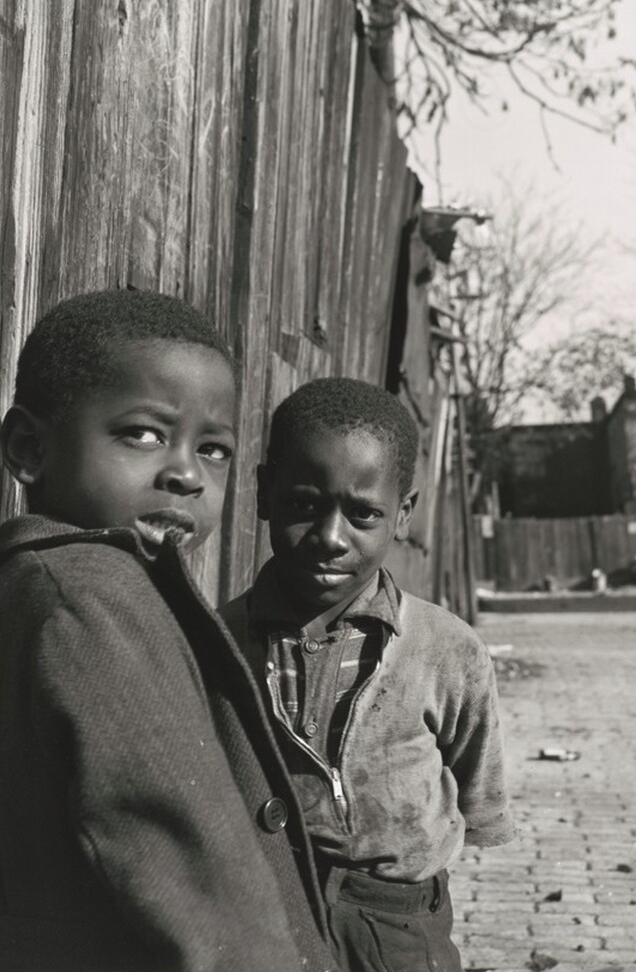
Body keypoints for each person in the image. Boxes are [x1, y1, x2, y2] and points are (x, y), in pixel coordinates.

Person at [0, 289, 334, 972]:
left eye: (212, 449)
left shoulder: (41, 588)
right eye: (143, 433)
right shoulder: (95, 602)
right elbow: (186, 858)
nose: (185, 472)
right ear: (28, 447)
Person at [221, 377, 515, 972]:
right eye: (304, 503)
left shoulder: (445, 648)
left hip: (400, 921)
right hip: (267, 910)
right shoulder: (218, 641)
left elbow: (477, 779)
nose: (331, 537)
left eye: (362, 514)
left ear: (402, 514)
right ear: (263, 492)